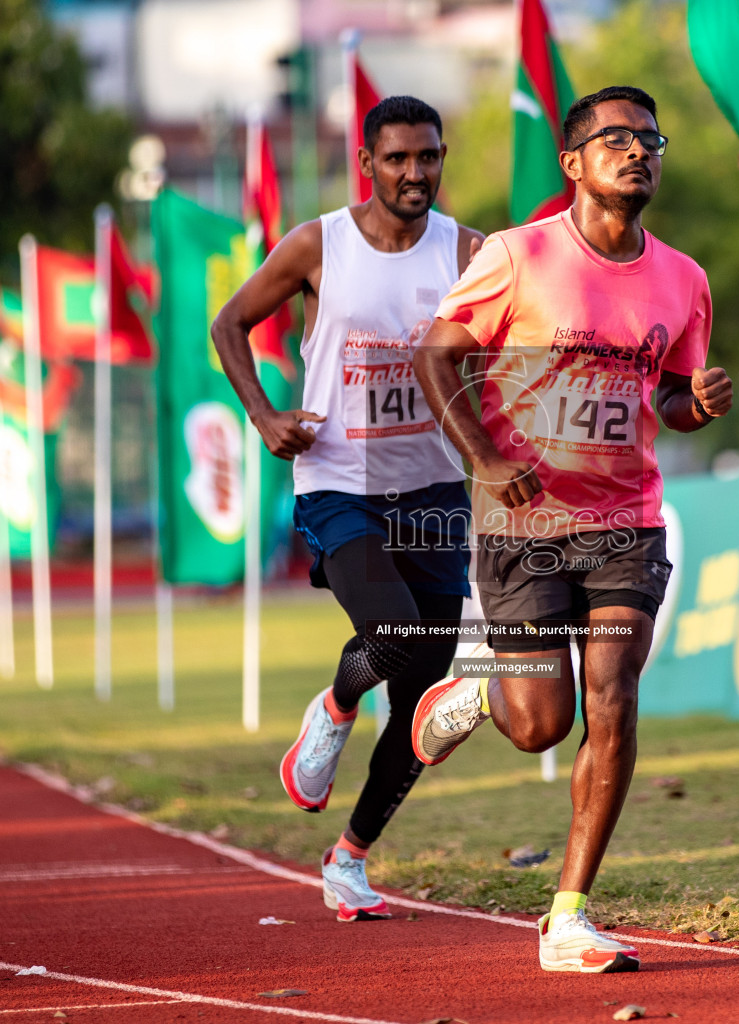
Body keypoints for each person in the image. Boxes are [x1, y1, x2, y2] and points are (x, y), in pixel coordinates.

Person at [411, 85, 732, 973]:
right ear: (574, 162)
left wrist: (693, 404)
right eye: (617, 139)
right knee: (541, 727)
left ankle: (569, 915)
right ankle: (482, 690)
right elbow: (438, 354)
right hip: (524, 522)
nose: (639, 153)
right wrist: (482, 456)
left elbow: (669, 391)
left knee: (617, 700)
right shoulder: (517, 257)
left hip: (627, 521)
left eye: (650, 140)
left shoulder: (685, 277)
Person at [211, 96, 486, 923]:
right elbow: (229, 324)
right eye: (399, 158)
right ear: (367, 163)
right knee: (395, 637)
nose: (416, 173)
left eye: (429, 157)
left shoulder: (469, 252)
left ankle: (350, 859)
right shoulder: (317, 243)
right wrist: (263, 417)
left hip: (434, 486)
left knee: (424, 703)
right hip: (337, 478)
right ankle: (333, 711)